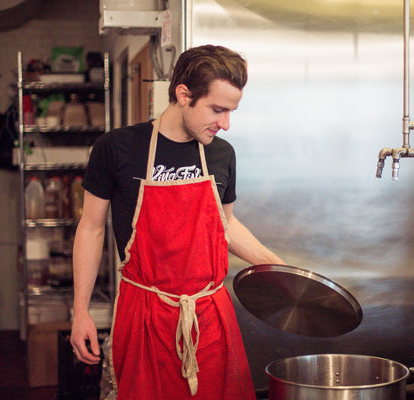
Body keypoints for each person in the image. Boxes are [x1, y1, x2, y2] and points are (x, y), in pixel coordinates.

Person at [70, 45, 284, 400]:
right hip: (144, 318)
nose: (226, 123)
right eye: (218, 109)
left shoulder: (221, 154)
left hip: (210, 318)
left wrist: (280, 269)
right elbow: (91, 228)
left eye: (231, 111)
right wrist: (80, 311)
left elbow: (224, 225)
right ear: (183, 94)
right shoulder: (118, 148)